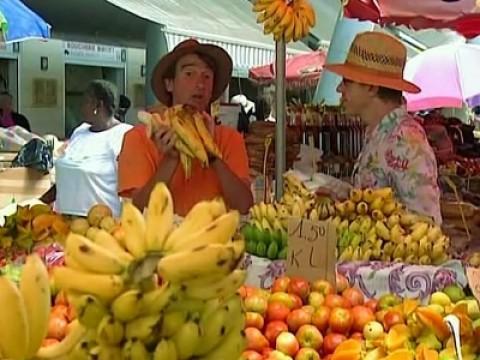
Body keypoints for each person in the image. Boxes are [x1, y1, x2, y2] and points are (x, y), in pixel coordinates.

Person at [118, 39, 253, 216]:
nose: (200, 84)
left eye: (207, 76)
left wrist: (212, 156)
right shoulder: (139, 137)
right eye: (189, 74)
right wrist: (170, 159)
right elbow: (136, 210)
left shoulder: (230, 139)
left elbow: (244, 207)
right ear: (169, 84)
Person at [323, 31, 442, 224]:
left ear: (371, 87)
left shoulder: (407, 141)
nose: (339, 89)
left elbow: (428, 224)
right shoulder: (377, 131)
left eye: (347, 81)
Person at [40, 80, 132, 217]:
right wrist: (39, 202)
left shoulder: (125, 135)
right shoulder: (79, 131)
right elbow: (67, 178)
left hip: (102, 226)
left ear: (98, 105)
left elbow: (131, 188)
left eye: (85, 101)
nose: (80, 106)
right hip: (63, 222)